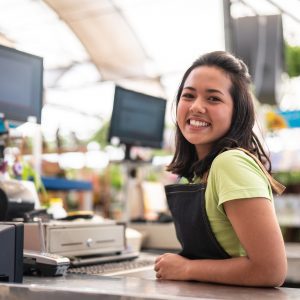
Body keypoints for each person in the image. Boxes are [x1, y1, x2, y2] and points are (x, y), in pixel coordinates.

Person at [154, 51, 287, 287]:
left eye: (213, 99)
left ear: (237, 111)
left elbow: (270, 270)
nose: (196, 107)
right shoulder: (200, 172)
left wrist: (186, 267)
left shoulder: (230, 163)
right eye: (188, 95)